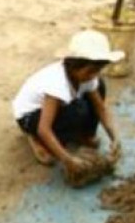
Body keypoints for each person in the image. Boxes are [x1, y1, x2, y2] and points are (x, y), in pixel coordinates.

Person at [12, 29, 123, 174]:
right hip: (30, 116)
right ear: (73, 65)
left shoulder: (87, 76)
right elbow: (44, 129)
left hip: (55, 108)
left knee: (99, 86)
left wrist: (115, 137)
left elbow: (100, 108)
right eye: (90, 71)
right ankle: (36, 140)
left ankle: (85, 134)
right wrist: (68, 160)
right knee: (77, 111)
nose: (93, 75)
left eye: (97, 70)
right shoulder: (57, 84)